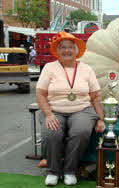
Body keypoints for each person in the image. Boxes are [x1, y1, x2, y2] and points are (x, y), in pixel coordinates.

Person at [36, 31, 105, 186]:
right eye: (62, 47)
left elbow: (95, 96)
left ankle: (69, 170)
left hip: (82, 110)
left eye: (70, 47)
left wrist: (100, 118)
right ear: (57, 51)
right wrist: (48, 114)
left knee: (80, 131)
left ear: (76, 51)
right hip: (54, 110)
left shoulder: (87, 69)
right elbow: (40, 94)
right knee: (51, 133)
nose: (67, 50)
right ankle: (53, 171)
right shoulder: (49, 67)